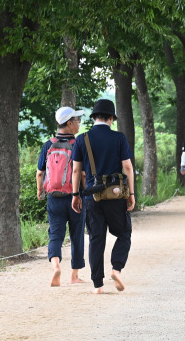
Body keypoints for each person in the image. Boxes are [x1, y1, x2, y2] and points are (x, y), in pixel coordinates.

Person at [71, 99, 135, 294]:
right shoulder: (119, 138)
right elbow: (127, 167)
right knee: (124, 232)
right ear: (110, 118)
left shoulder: (82, 139)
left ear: (94, 118)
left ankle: (98, 285)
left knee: (96, 239)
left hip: (92, 197)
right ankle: (116, 269)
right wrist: (131, 193)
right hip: (115, 196)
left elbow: (76, 171)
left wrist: (75, 194)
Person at [36, 106, 86, 287]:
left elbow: (40, 173)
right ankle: (74, 275)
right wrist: (83, 193)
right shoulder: (78, 144)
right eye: (77, 121)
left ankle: (55, 266)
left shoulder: (48, 144)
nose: (79, 124)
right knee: (77, 235)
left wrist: (40, 191)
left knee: (55, 234)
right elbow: (82, 174)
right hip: (75, 197)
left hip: (54, 198)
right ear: (70, 123)